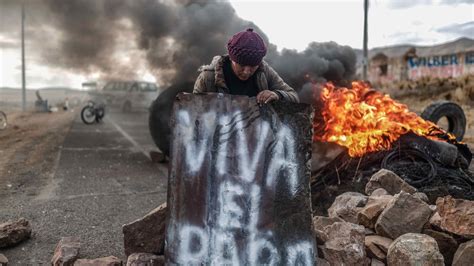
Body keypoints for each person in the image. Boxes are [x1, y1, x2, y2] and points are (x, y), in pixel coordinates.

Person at [193, 28, 299, 104]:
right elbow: (193, 110)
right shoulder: (208, 78)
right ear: (232, 59)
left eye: (253, 66)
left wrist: (277, 95)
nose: (247, 72)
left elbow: (293, 96)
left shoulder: (264, 71)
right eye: (242, 65)